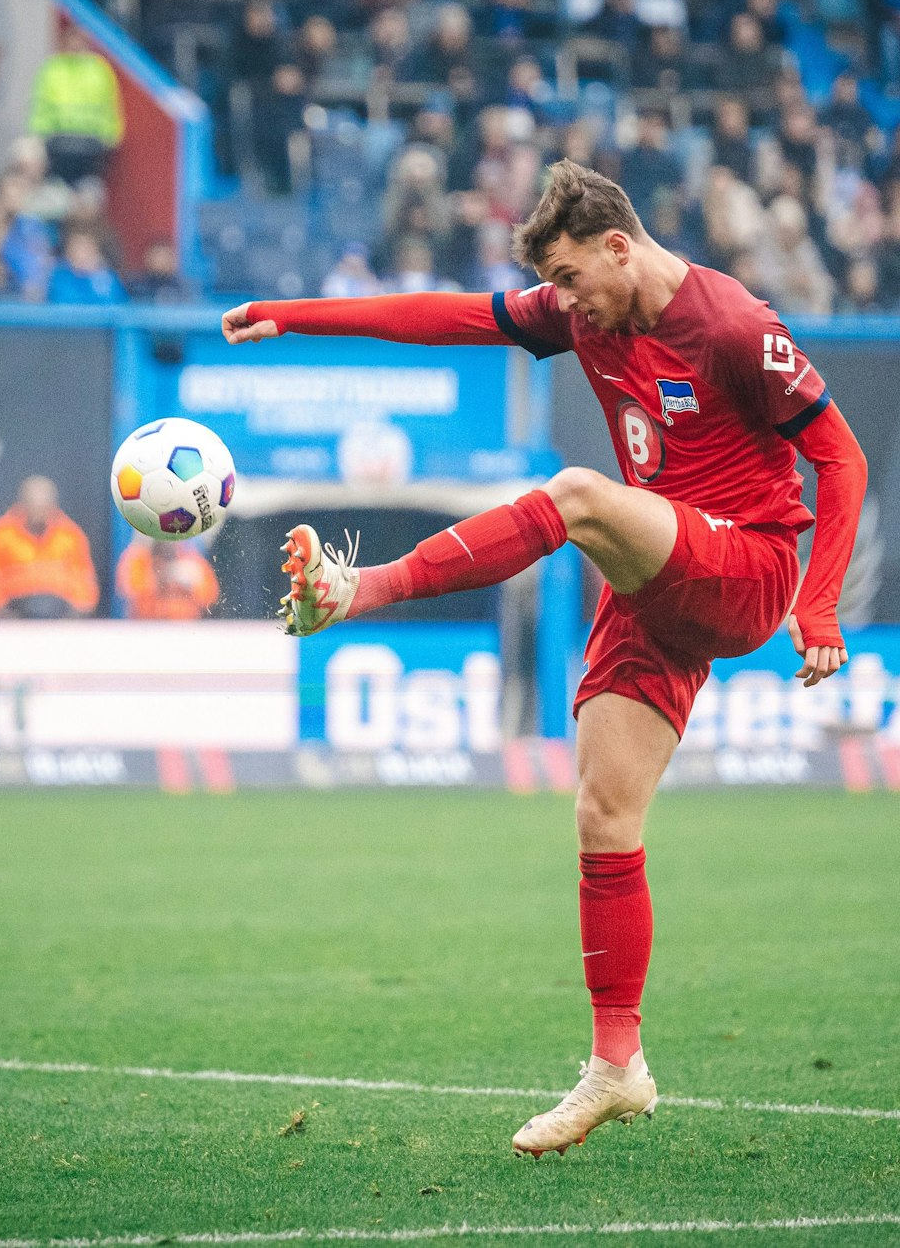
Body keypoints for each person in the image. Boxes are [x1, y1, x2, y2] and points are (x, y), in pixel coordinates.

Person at [220, 160, 866, 1155]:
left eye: (570, 279)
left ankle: (360, 589)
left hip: (744, 567)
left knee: (573, 495)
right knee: (603, 813)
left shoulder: (734, 324)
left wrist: (817, 607)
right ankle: (617, 1065)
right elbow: (449, 318)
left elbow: (839, 455)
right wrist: (298, 315)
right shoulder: (584, 314)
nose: (563, 305)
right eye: (553, 288)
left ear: (618, 245)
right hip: (659, 585)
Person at [0, 475, 100, 618]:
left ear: (52, 506)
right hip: (14, 613)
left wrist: (77, 613)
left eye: (43, 507)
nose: (38, 513)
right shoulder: (0, 535)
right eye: (33, 505)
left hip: (61, 614)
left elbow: (84, 583)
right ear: (22, 504)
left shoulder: (71, 536)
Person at [30, 25, 124, 185]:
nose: (75, 44)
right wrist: (39, 136)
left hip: (92, 145)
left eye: (79, 40)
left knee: (89, 193)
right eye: (72, 39)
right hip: (55, 142)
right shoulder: (52, 69)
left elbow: (110, 109)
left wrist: (110, 138)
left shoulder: (99, 70)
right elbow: (40, 107)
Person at [117, 538, 219, 620]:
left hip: (185, 628)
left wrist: (192, 581)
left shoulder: (192, 559)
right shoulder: (139, 558)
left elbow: (210, 597)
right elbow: (133, 591)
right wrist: (159, 575)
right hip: (146, 628)